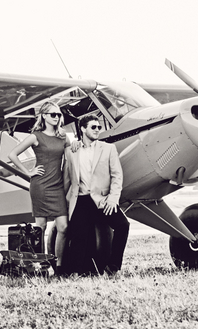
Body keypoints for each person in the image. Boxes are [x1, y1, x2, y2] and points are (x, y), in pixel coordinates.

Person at [63, 115, 129, 276]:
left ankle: (113, 267)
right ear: (83, 129)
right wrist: (64, 204)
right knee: (79, 236)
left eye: (99, 127)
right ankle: (76, 272)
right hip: (81, 199)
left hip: (102, 199)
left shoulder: (108, 148)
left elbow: (117, 175)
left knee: (123, 225)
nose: (97, 130)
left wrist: (113, 199)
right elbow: (67, 179)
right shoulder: (71, 151)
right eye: (93, 127)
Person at [7, 101, 69, 272]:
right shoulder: (36, 136)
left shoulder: (64, 136)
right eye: (53, 114)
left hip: (58, 186)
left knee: (63, 226)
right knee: (40, 228)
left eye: (58, 114)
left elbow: (72, 155)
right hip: (40, 185)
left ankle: (59, 265)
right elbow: (12, 154)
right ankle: (40, 265)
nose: (57, 117)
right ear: (44, 116)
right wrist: (28, 172)